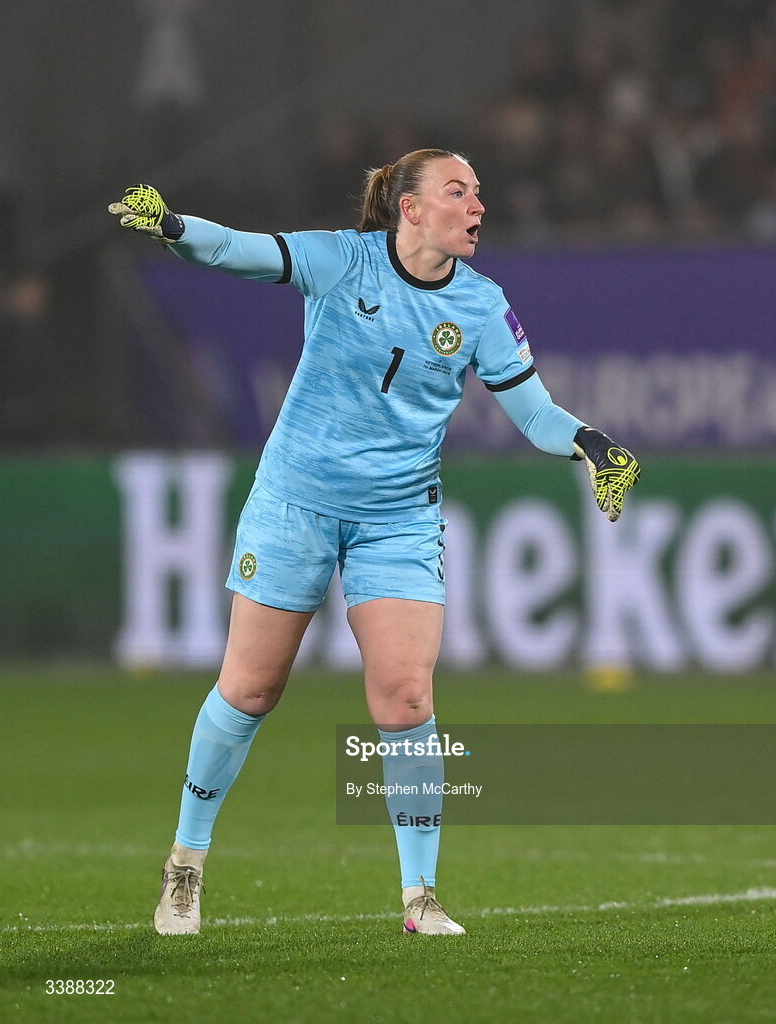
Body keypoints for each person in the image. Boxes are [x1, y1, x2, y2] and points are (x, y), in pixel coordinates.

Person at [108, 149, 640, 937]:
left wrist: (591, 443)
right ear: (411, 208)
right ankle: (185, 865)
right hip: (295, 504)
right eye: (458, 192)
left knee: (408, 696)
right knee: (251, 689)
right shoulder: (340, 262)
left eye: (479, 193)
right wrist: (175, 227)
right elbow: (239, 250)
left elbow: (532, 413)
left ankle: (419, 898)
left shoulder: (483, 306)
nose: (477, 205)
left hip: (397, 518)